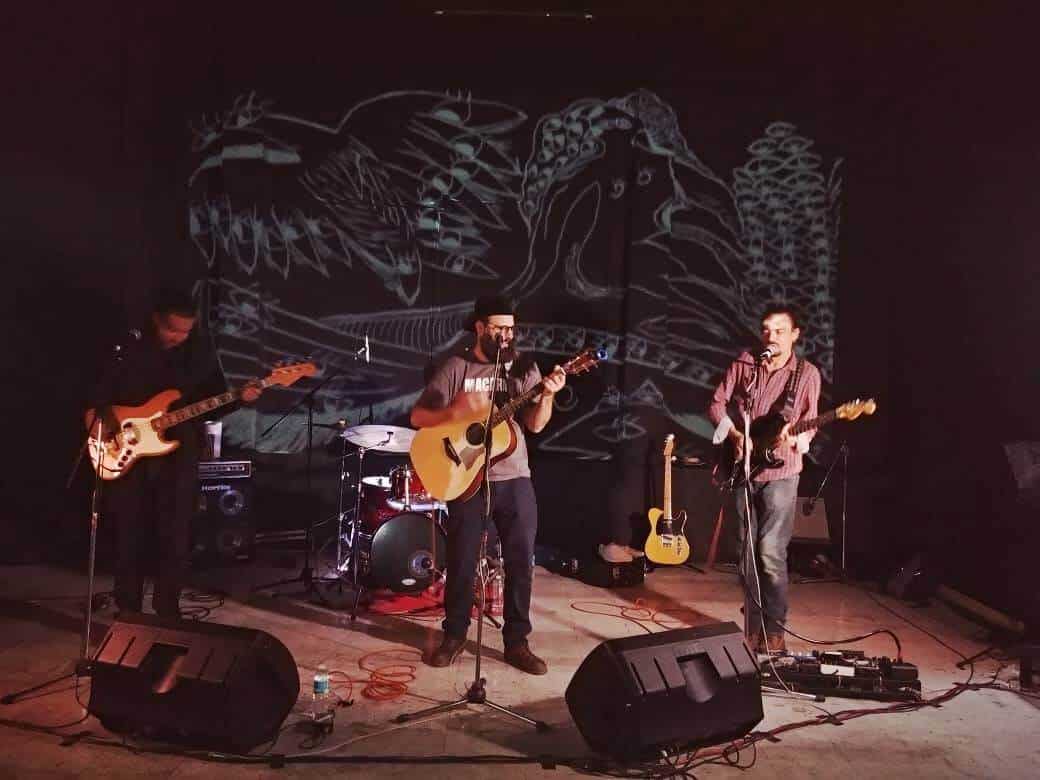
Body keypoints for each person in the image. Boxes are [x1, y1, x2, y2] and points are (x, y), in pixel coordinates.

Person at [410, 295, 565, 675]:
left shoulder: (524, 367)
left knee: (520, 561)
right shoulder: (456, 367)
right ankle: (455, 635)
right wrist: (452, 412)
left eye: (511, 328)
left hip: (515, 478)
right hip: (467, 478)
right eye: (498, 328)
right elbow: (418, 415)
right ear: (479, 327)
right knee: (461, 561)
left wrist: (547, 396)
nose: (506, 335)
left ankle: (517, 642)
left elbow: (535, 424)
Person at [88, 287, 260, 618]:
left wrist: (241, 398)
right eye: (172, 329)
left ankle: (167, 609)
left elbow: (214, 402)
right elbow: (100, 392)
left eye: (185, 330)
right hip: (128, 451)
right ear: (156, 320)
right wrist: (105, 422)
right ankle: (129, 608)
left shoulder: (201, 353)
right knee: (130, 532)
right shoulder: (131, 347)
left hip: (178, 455)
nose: (178, 337)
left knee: (175, 535)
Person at [707, 305, 821, 654]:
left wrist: (796, 440)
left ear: (795, 334)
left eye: (780, 330)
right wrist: (734, 437)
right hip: (743, 468)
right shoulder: (745, 363)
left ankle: (775, 630)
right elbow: (716, 403)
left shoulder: (807, 374)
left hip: (782, 472)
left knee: (770, 552)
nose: (771, 336)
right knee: (746, 554)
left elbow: (810, 422)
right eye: (767, 330)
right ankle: (751, 630)